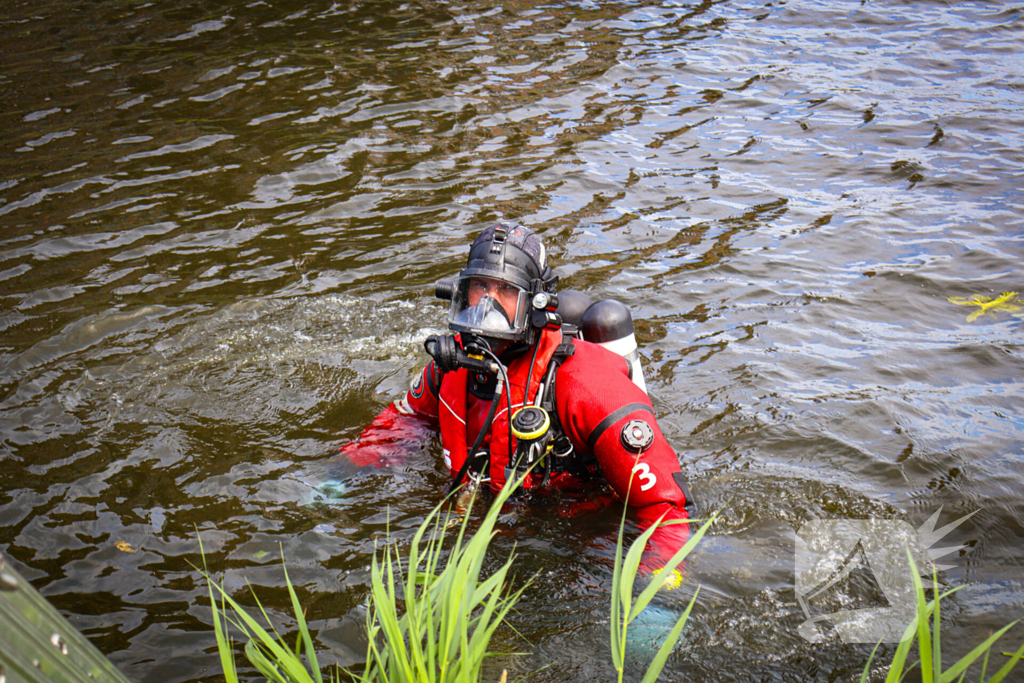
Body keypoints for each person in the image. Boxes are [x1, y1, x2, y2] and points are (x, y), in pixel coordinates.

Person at [338, 224, 694, 569]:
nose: (487, 303)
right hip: (483, 523)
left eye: (506, 290)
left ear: (535, 303)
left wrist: (656, 582)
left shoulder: (586, 385)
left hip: (574, 536)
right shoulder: (449, 366)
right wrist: (337, 478)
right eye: (480, 287)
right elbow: (403, 425)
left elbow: (665, 510)